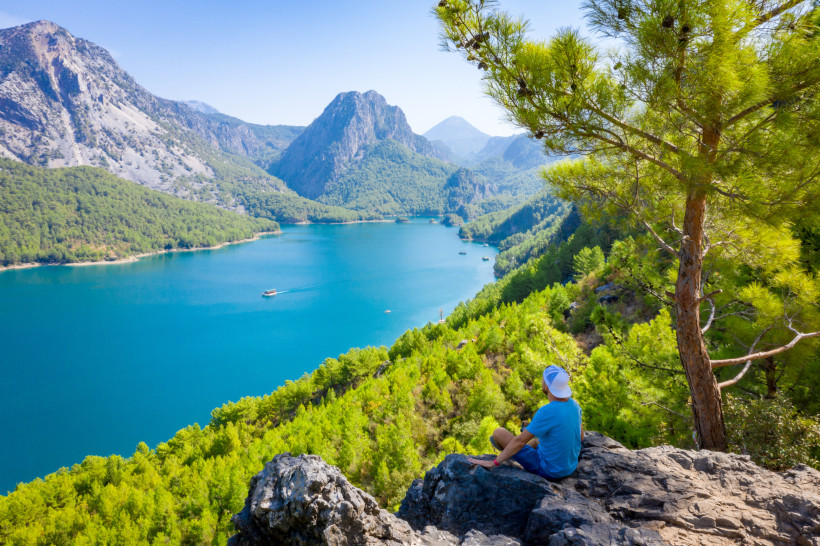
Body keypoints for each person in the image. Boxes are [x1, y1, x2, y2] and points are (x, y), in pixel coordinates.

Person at [468, 365, 583, 480]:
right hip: (569, 467)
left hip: (549, 470)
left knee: (499, 433)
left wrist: (494, 463)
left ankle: (512, 454)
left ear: (546, 386)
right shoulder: (574, 405)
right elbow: (581, 437)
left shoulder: (547, 411)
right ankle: (514, 453)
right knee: (537, 440)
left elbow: (520, 442)